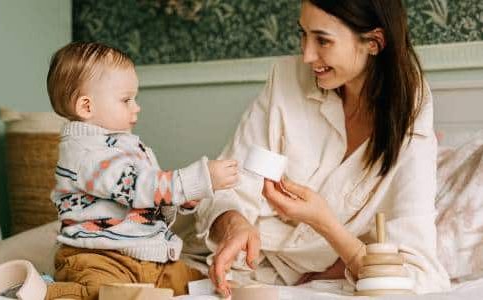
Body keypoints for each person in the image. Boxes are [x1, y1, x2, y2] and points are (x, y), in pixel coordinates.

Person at [192, 0, 451, 297]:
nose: (306, 55)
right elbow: (225, 185)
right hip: (230, 265)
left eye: (323, 40)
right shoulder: (286, 80)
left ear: (374, 43)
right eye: (303, 34)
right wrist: (233, 225)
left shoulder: (411, 112)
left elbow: (417, 273)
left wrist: (323, 223)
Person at [44, 42, 238, 299]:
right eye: (126, 100)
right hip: (101, 257)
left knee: (199, 284)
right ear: (86, 107)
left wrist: (181, 199)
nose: (136, 107)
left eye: (135, 98)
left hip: (151, 258)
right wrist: (196, 179)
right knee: (101, 291)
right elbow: (136, 186)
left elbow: (148, 201)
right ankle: (51, 291)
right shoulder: (84, 153)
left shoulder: (130, 146)